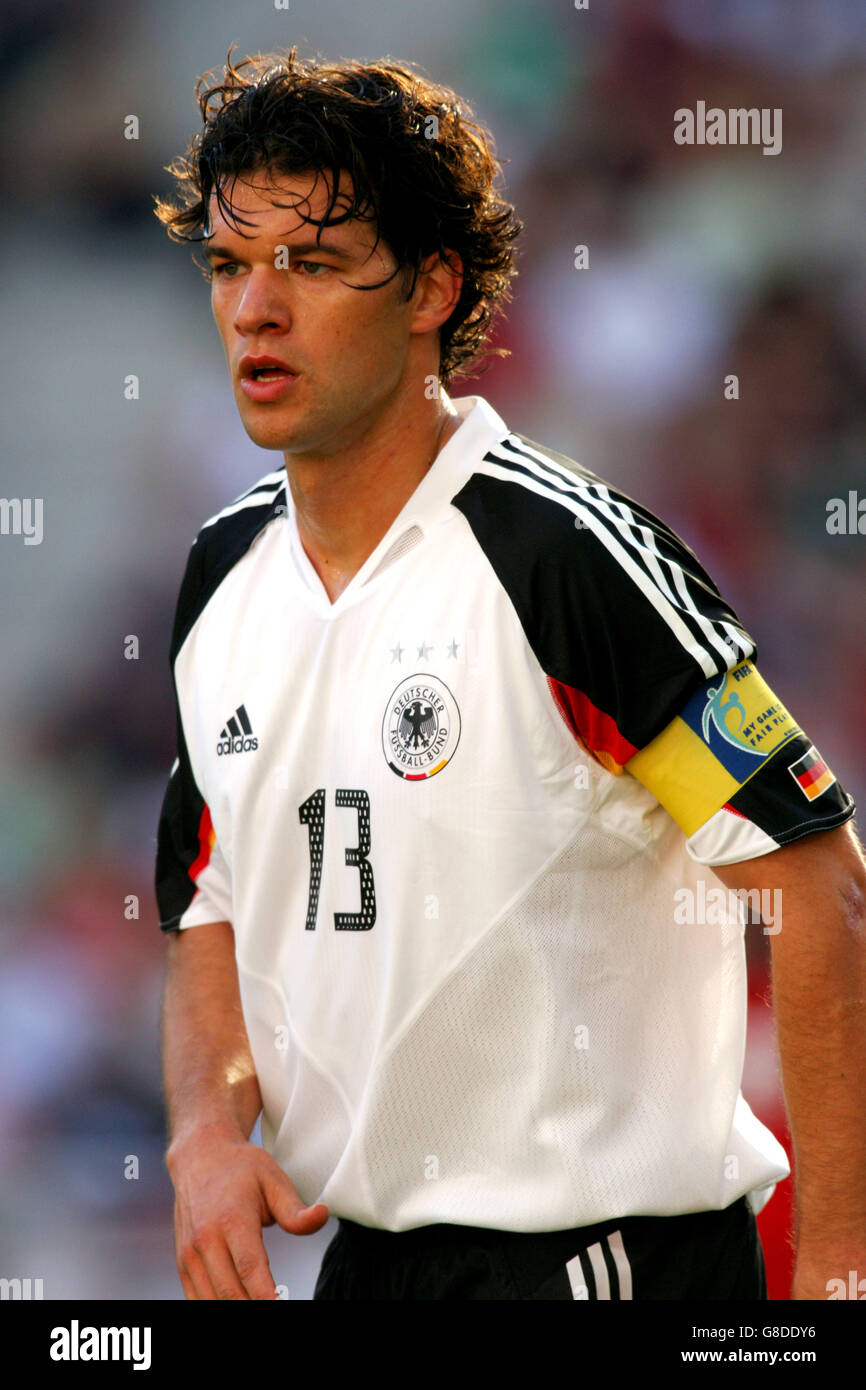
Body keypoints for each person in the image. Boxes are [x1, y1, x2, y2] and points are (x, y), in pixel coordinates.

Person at [153, 46, 866, 1301]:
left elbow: (817, 895)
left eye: (309, 265)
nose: (254, 307)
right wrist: (207, 1133)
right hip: (364, 1267)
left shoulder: (564, 558)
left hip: (598, 1266)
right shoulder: (223, 579)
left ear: (432, 286)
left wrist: (838, 1276)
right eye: (229, 263)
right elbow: (205, 909)